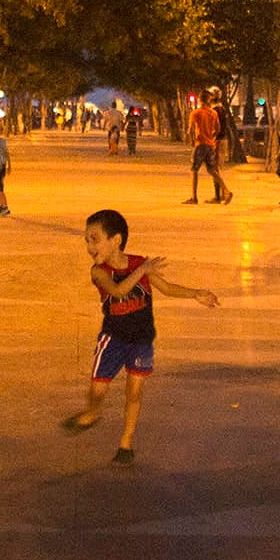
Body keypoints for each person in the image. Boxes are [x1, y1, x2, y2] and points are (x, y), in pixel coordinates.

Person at [60, 206, 216, 464]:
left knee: (134, 393)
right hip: (113, 339)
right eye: (86, 240)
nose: (89, 246)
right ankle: (92, 413)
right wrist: (142, 271)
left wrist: (196, 293)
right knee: (98, 388)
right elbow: (119, 292)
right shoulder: (99, 272)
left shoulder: (139, 265)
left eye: (94, 239)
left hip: (142, 341)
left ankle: (126, 444)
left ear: (116, 240)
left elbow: (166, 287)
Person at [185, 94, 228, 204]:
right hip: (210, 145)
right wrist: (212, 138)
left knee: (194, 170)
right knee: (212, 170)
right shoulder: (213, 113)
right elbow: (218, 129)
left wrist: (191, 140)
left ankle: (194, 197)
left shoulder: (196, 113)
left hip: (200, 144)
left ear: (200, 100)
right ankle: (226, 190)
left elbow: (190, 130)